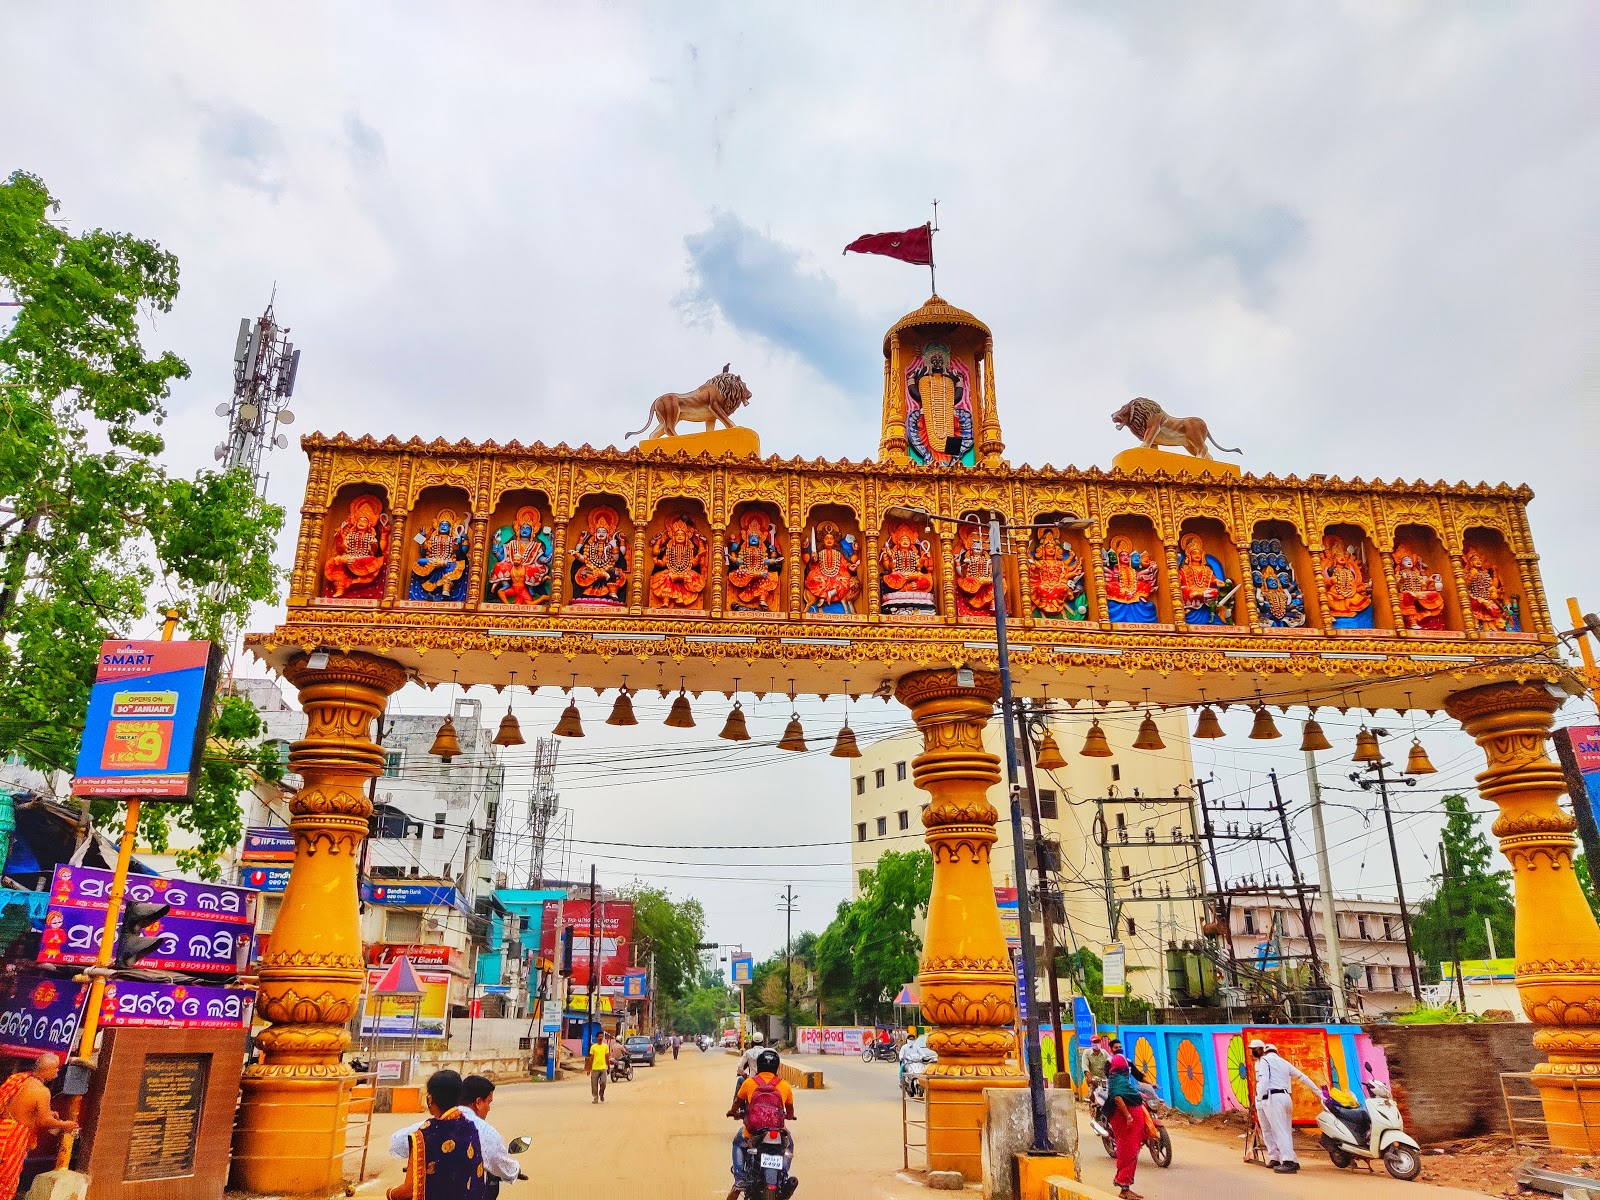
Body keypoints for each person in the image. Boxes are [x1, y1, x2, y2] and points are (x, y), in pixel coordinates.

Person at [386, 1069, 485, 1200]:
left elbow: (410, 1191)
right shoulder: (470, 1127)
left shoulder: (426, 1133)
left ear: (430, 1098)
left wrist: (390, 1193)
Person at [725, 1048, 797, 1200]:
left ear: (758, 1065)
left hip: (753, 1131)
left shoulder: (749, 1083)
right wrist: (789, 1116)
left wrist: (732, 1112)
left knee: (738, 1143)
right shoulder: (784, 1085)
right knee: (789, 1144)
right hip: (777, 1131)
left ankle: (740, 1180)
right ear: (777, 1067)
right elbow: (790, 1110)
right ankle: (783, 1174)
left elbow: (737, 1102)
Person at [0, 1053, 76, 1198]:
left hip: (3, 1128)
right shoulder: (42, 1092)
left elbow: (21, 1106)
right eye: (56, 1068)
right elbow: (44, 1121)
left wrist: (49, 1113)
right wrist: (65, 1125)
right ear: (46, 1070)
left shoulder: (19, 1079)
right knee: (5, 1181)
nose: (57, 1071)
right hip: (13, 1138)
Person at [1251, 1039, 1320, 1174]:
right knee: (1284, 1130)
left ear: (1263, 1051)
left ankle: (1288, 1161)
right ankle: (1288, 1159)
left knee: (1278, 1130)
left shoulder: (1265, 1061)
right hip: (1285, 1097)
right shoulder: (1284, 1063)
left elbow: (1264, 1080)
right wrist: (1319, 1092)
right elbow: (1303, 1077)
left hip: (1271, 1098)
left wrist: (1258, 1098)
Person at [1103, 1053, 1145, 1200]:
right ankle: (1124, 1188)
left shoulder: (1116, 1078)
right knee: (1128, 1152)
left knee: (1130, 1151)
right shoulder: (1118, 1080)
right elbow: (1117, 1097)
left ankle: (1125, 1186)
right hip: (1126, 1123)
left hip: (1128, 1124)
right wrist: (1128, 1116)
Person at [587, 1033, 612, 1104]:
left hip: (603, 1068)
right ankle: (595, 1098)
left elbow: (607, 1057)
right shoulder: (593, 1047)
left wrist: (608, 1067)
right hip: (595, 1068)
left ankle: (601, 1094)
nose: (601, 1038)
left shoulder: (605, 1047)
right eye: (599, 1036)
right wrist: (589, 1069)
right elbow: (591, 1058)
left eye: (602, 1036)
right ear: (597, 1038)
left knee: (603, 1082)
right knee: (594, 1084)